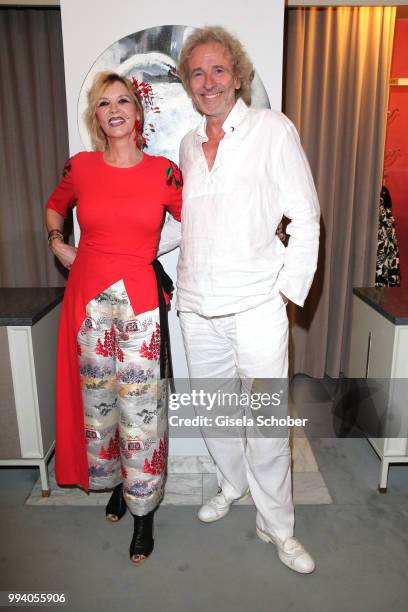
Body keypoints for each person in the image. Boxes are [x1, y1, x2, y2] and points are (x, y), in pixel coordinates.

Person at [175, 26, 320, 573]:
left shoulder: (271, 129)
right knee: (214, 416)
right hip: (197, 307)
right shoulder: (188, 145)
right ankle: (232, 484)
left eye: (218, 70)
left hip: (257, 307)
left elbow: (305, 217)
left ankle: (277, 526)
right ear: (189, 85)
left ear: (237, 77)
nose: (208, 82)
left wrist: (285, 292)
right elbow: (192, 221)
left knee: (263, 422)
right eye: (197, 73)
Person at [45, 71, 182, 565]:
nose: (115, 109)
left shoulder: (165, 171)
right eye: (104, 103)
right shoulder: (80, 167)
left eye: (123, 100)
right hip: (87, 304)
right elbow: (55, 206)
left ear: (138, 112)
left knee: (142, 414)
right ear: (96, 117)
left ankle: (144, 513)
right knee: (99, 408)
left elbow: (203, 218)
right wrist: (58, 244)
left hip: (142, 305)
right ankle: (120, 486)